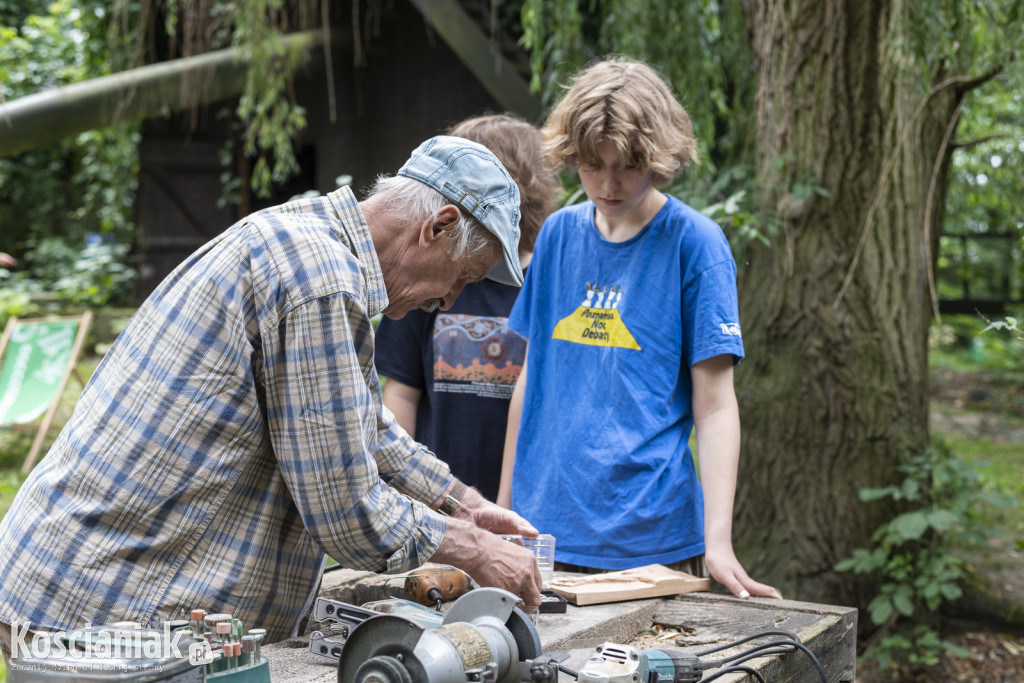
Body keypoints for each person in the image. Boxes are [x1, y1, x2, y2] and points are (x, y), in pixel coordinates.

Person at [0, 135, 544, 662]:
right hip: (101, 608)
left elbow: (361, 425)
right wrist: (471, 549)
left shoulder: (307, 238)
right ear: (439, 226)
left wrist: (468, 506)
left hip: (88, 589)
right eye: (460, 277)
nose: (447, 300)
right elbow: (346, 511)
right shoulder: (320, 280)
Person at [497, 56, 781, 600]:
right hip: (544, 533)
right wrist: (504, 510)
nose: (607, 184)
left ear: (658, 157)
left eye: (625, 166)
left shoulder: (695, 244)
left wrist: (717, 541)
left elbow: (717, 404)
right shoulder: (555, 235)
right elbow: (530, 380)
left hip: (653, 540)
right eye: (590, 166)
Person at [375, 114, 561, 501]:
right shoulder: (422, 280)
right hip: (438, 488)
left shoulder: (550, 275)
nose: (452, 294)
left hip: (527, 496)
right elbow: (402, 394)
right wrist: (403, 494)